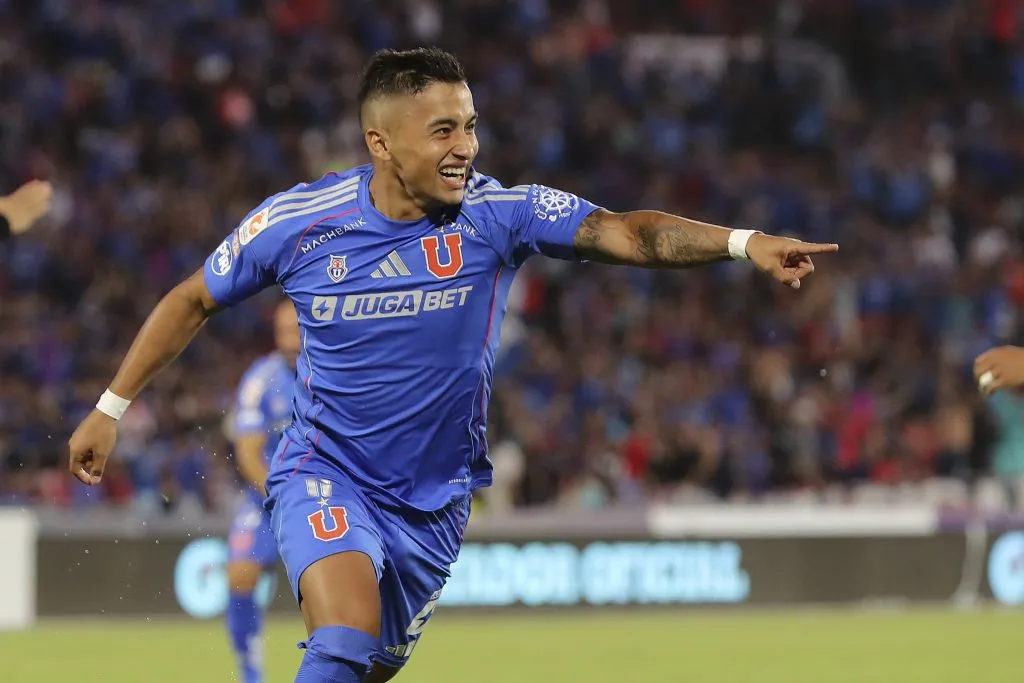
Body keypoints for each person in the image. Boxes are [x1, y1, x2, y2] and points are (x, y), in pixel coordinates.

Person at [68, 47, 838, 683]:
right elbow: (191, 299)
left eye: (469, 126)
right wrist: (110, 405)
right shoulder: (298, 224)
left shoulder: (497, 217)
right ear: (381, 143)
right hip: (325, 469)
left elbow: (627, 233)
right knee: (339, 642)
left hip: (433, 507)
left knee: (363, 665)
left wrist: (742, 242)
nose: (464, 147)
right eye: (442, 130)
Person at [225, 300, 300, 683]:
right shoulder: (260, 379)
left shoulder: (335, 373)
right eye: (283, 332)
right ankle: (251, 674)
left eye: (296, 330)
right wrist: (280, 494)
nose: (290, 340)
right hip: (269, 498)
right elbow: (248, 453)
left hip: (323, 496)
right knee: (239, 574)